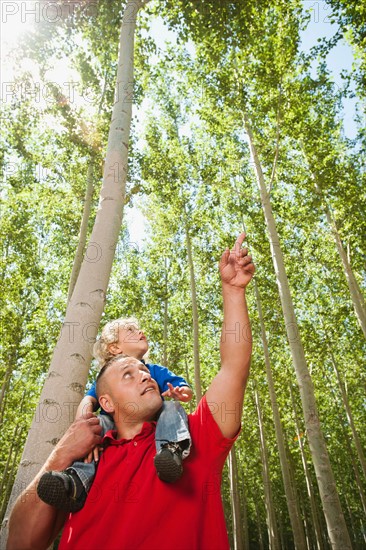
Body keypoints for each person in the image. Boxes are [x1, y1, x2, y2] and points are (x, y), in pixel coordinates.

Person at [7, 232, 255, 550]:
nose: (144, 376)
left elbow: (233, 367)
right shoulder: (87, 456)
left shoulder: (195, 439)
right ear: (106, 401)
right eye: (128, 374)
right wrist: (62, 453)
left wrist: (233, 292)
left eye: (144, 371)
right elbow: (19, 543)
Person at [36, 318, 193, 512]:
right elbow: (88, 401)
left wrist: (182, 393)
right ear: (114, 348)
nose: (140, 331)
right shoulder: (106, 378)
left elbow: (182, 386)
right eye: (130, 330)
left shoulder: (154, 371)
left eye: (138, 328)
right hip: (111, 423)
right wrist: (83, 429)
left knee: (171, 408)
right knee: (98, 424)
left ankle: (171, 452)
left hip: (155, 420)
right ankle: (76, 482)